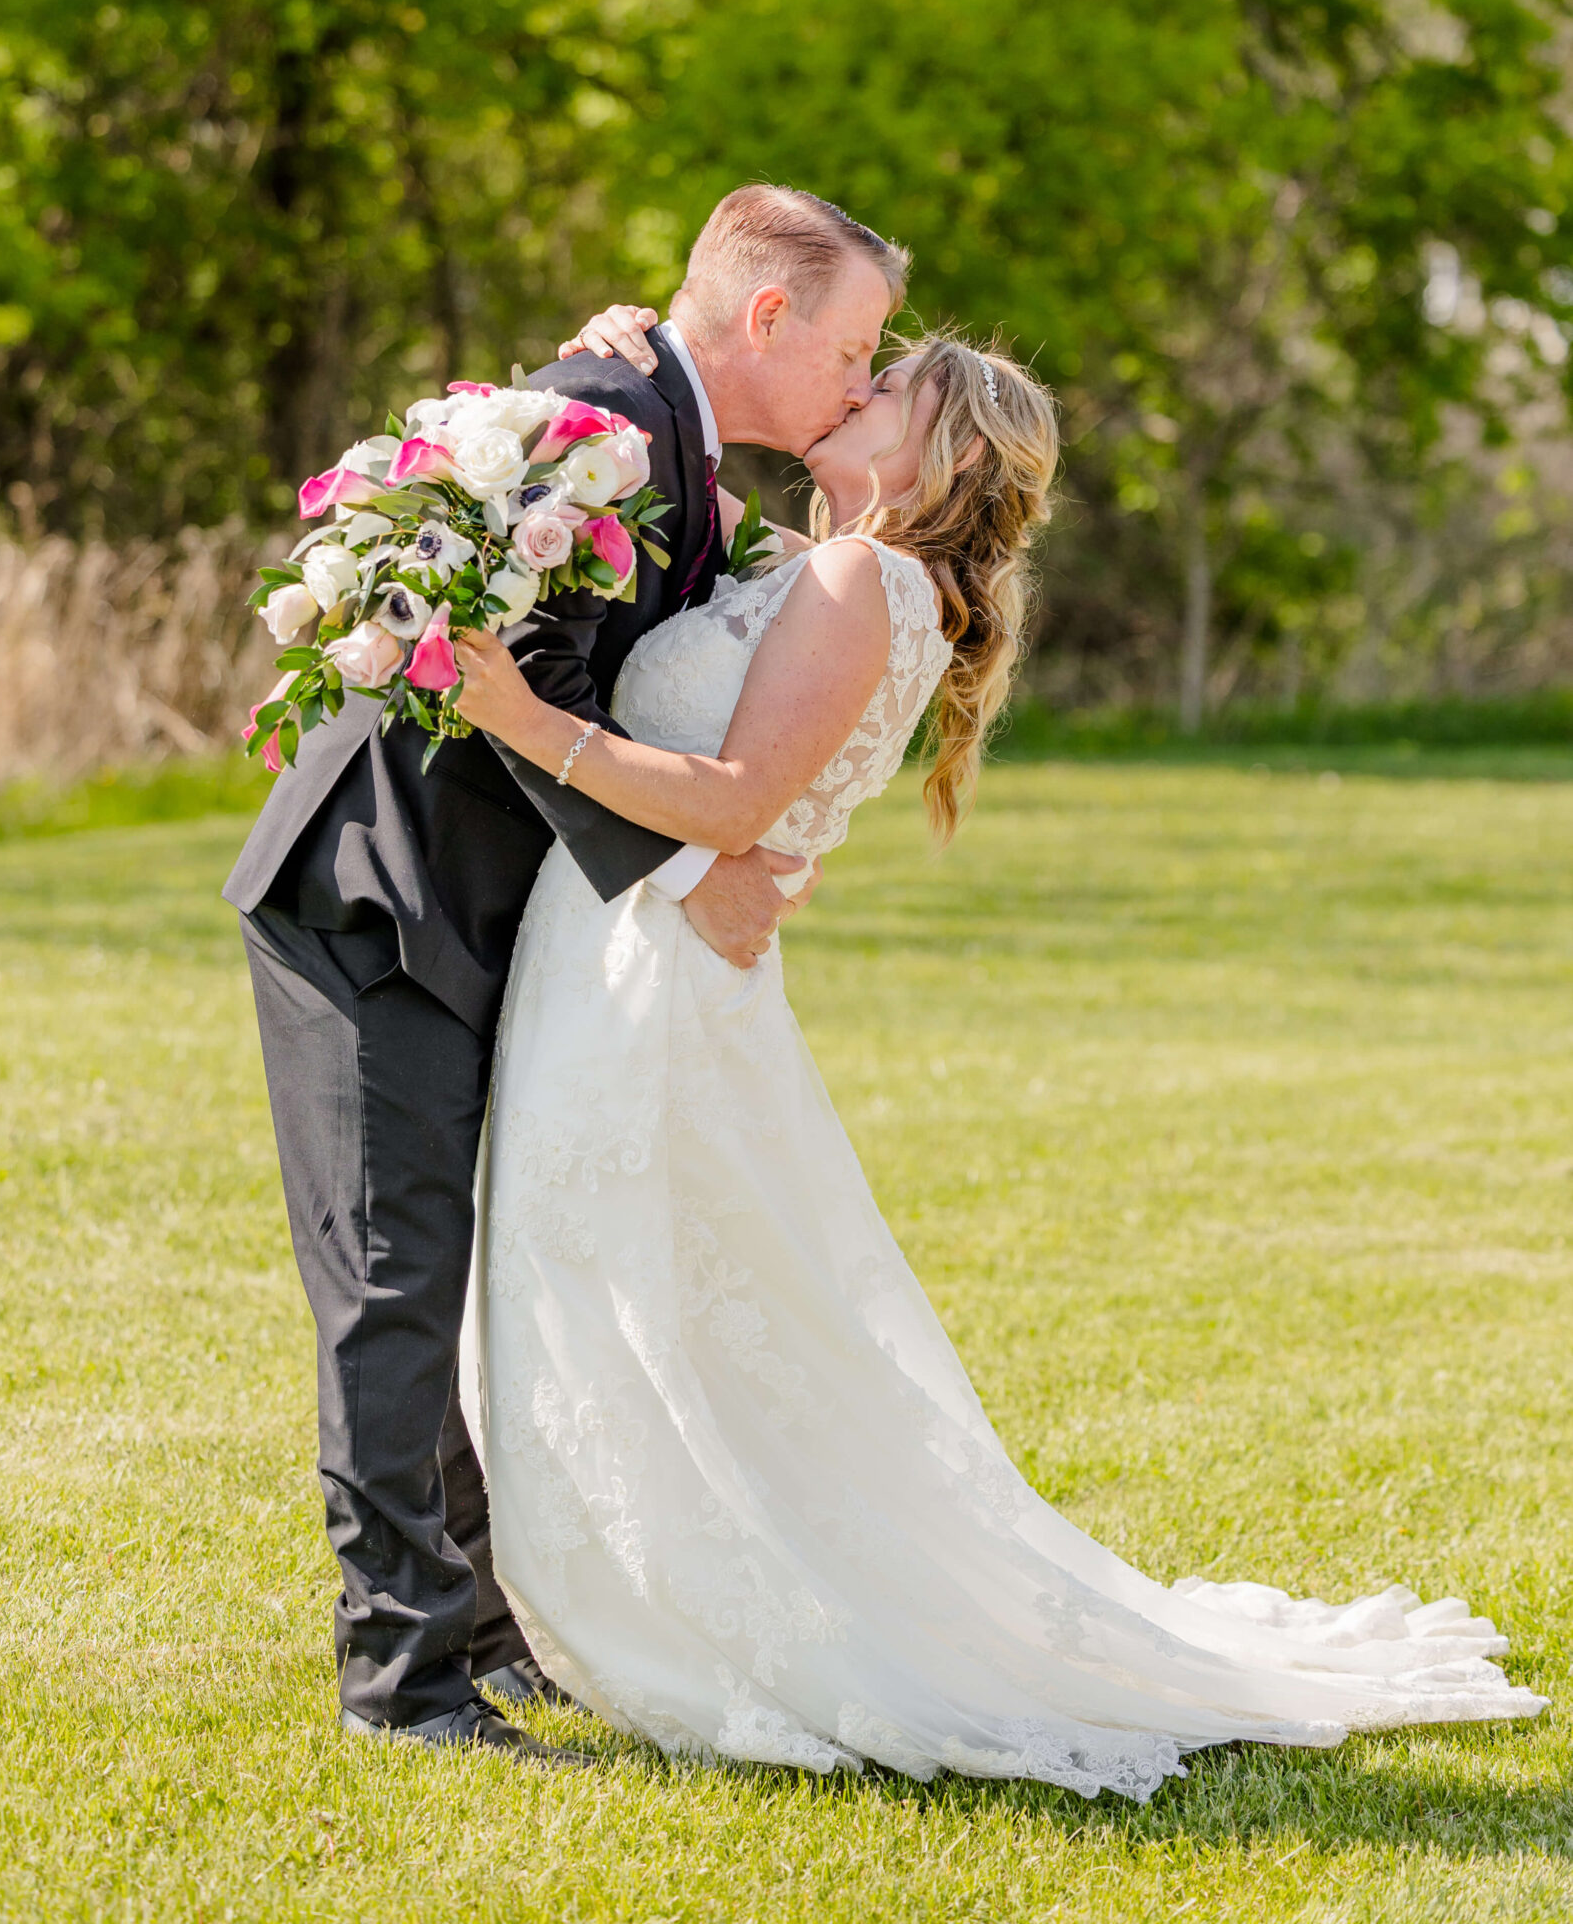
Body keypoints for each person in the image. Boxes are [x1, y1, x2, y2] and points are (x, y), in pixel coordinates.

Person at [448, 327, 1547, 1795]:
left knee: (637, 1283)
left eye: (884, 387)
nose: (852, 390)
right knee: (657, 1292)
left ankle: (694, 1605)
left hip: (652, 983)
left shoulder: (861, 581)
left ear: (943, 452)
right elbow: (695, 592)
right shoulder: (829, 565)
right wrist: (605, 357)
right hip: (629, 962)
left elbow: (734, 800)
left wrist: (521, 719)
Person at [222, 185, 905, 1763]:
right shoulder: (599, 416)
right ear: (768, 317)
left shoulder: (669, 448)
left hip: (487, 916)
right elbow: (503, 688)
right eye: (855, 346)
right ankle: (405, 1682)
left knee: (451, 1276)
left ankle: (475, 1627)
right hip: (374, 895)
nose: (862, 382)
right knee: (393, 1285)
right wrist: (687, 870)